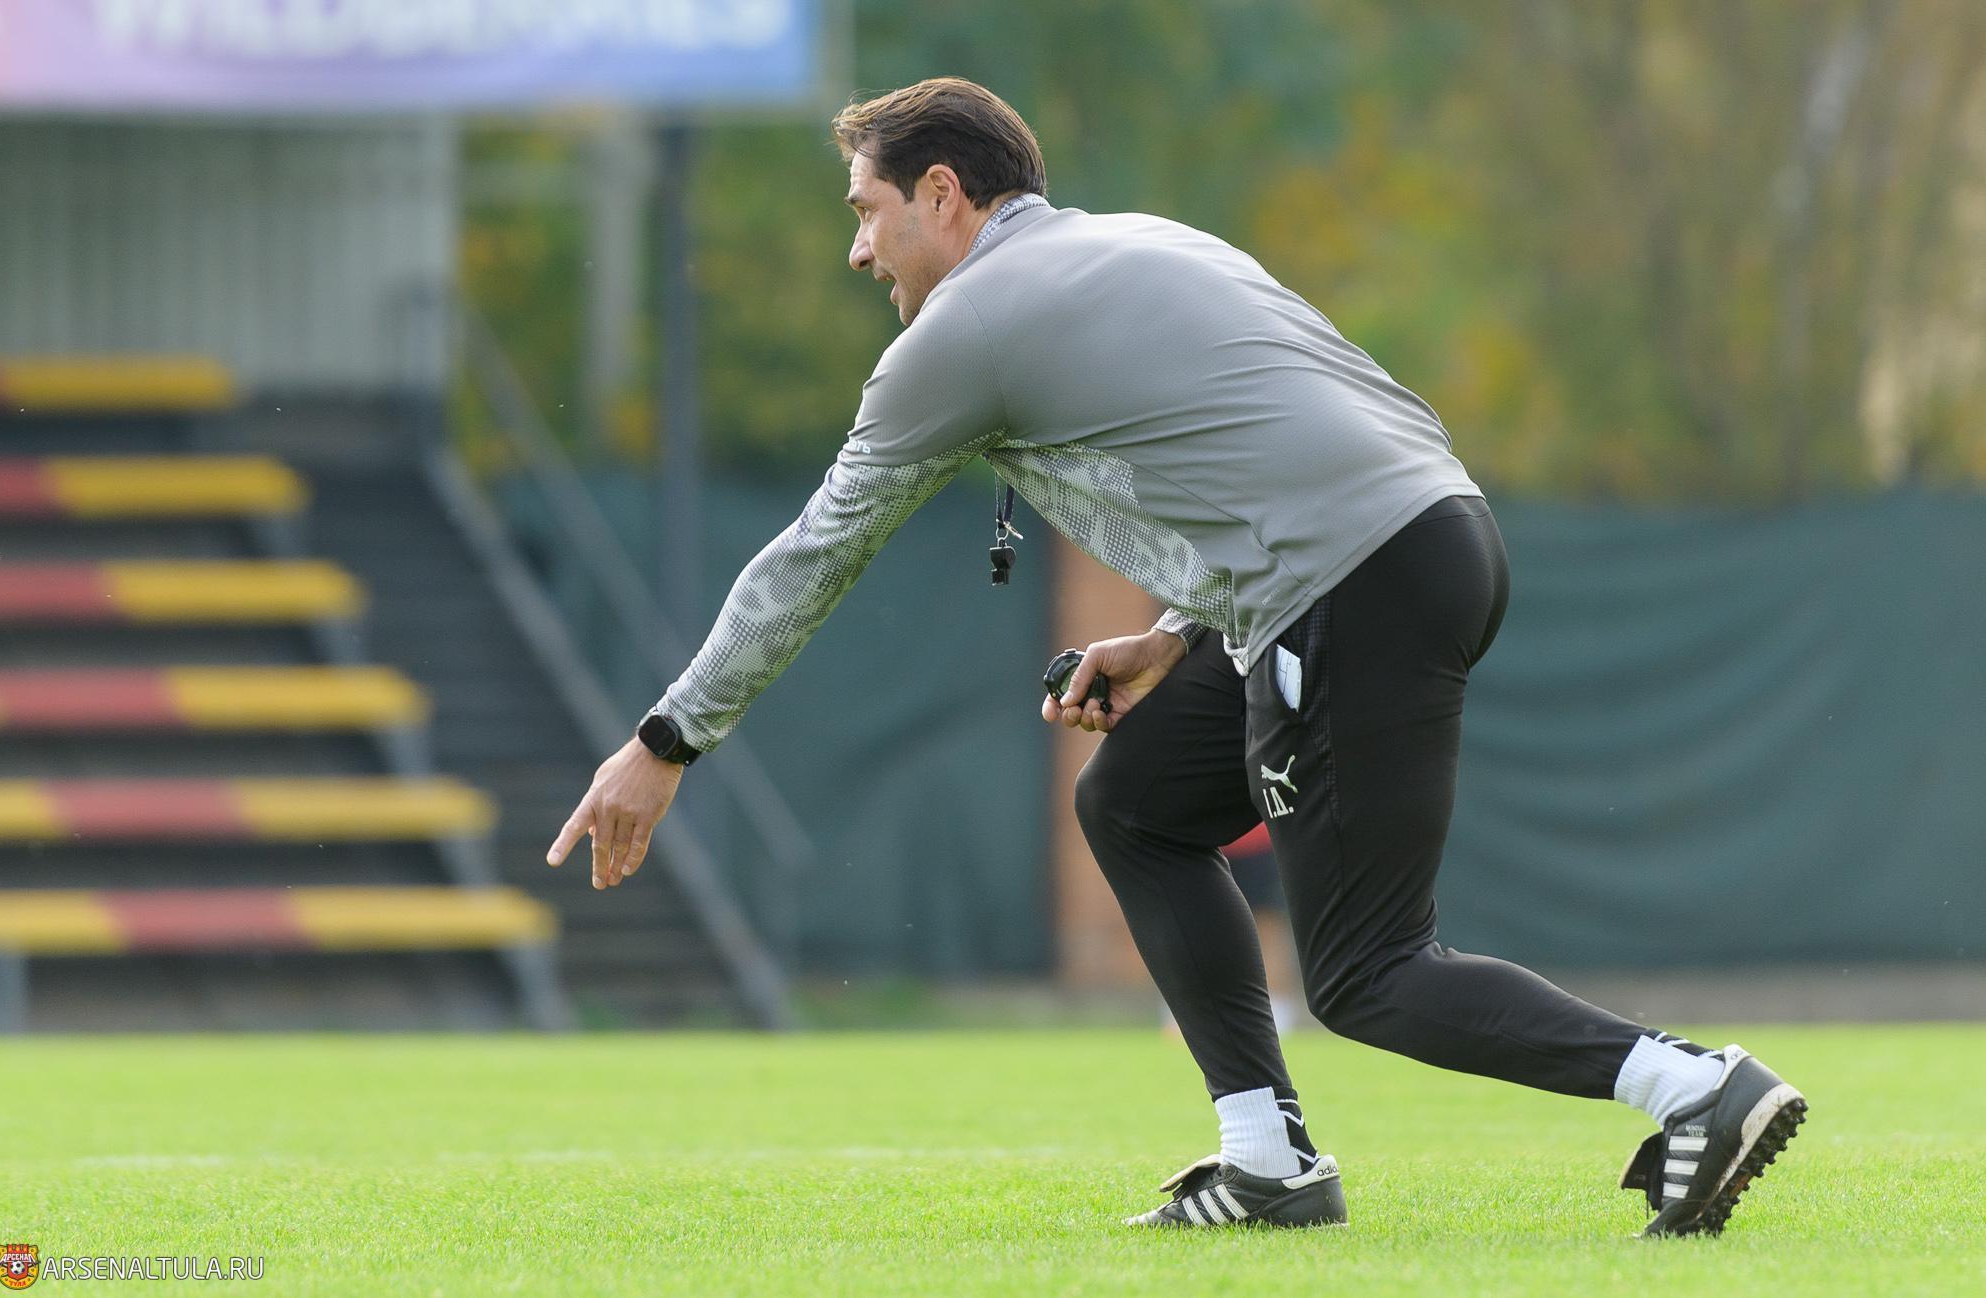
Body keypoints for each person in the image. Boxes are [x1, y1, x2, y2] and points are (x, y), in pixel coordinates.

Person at [545, 77, 1806, 1236]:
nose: (857, 249)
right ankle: (1265, 1158)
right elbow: (1283, 441)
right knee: (1136, 801)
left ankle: (1691, 1086)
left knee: (1366, 973)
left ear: (941, 193)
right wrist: (1175, 631)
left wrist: (667, 740)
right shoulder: (1145, 238)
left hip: (1346, 581)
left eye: (865, 211)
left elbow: (812, 555)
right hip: (1428, 537)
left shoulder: (960, 330)